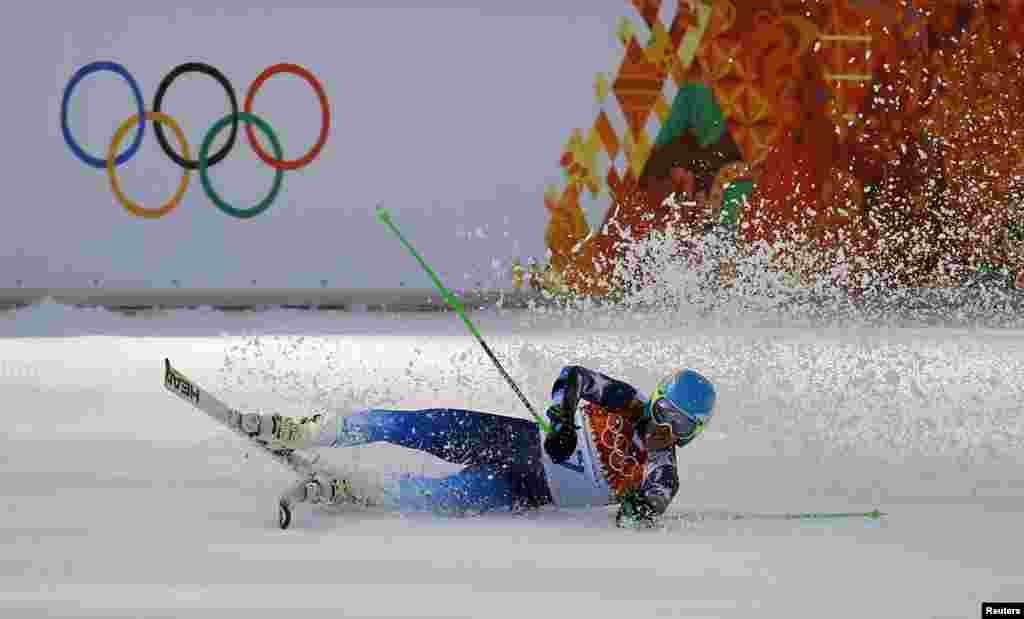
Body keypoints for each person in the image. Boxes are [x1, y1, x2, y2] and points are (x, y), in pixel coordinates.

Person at [242, 366, 716, 528]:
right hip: (511, 439)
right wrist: (561, 419)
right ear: (655, 401)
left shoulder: (663, 469)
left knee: (435, 499)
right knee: (415, 425)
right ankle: (302, 430)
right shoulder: (626, 401)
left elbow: (651, 504)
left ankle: (346, 490)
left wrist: (638, 509)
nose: (667, 431)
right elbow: (573, 377)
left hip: (521, 489)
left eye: (682, 428)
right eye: (666, 415)